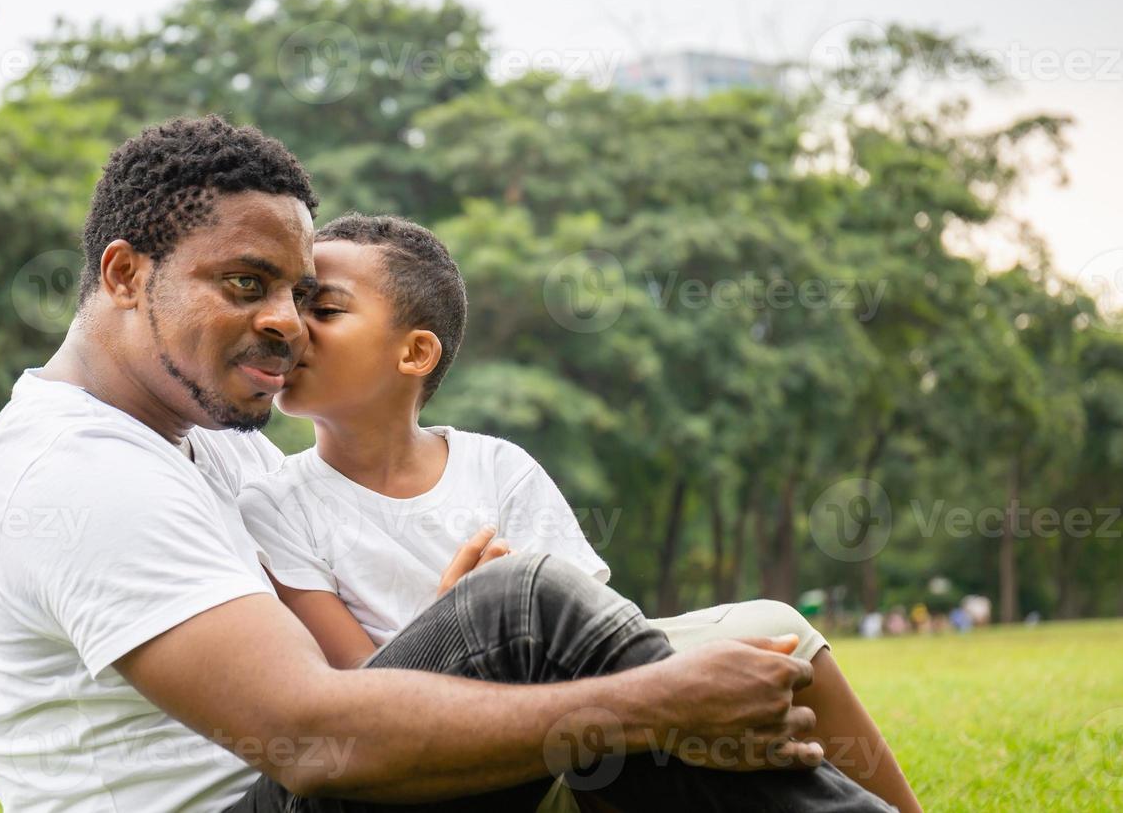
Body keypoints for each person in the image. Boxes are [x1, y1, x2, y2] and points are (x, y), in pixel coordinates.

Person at [0, 115, 898, 812]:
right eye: (246, 283)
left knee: (683, 628)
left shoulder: (200, 443)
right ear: (123, 276)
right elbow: (313, 734)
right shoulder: (81, 475)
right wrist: (655, 703)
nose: (284, 321)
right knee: (523, 606)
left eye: (301, 291)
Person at [239, 213, 921, 813]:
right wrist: (462, 620)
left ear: (414, 352)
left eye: (323, 309)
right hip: (471, 748)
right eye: (296, 304)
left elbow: (594, 633)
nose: (293, 326)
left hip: (582, 710)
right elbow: (357, 694)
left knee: (775, 626)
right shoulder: (277, 504)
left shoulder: (495, 466)